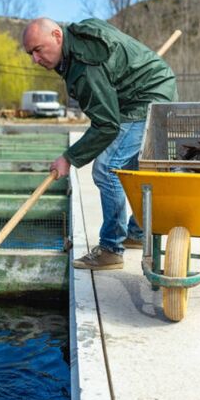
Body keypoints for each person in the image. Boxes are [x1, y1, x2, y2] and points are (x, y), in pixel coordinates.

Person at [22, 17, 178, 270]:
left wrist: (69, 158)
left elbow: (107, 126)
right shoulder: (77, 43)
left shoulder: (85, 64)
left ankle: (111, 249)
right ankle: (138, 233)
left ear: (57, 36)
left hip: (148, 98)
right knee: (137, 167)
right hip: (146, 90)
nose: (35, 60)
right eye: (30, 53)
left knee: (107, 169)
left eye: (38, 50)